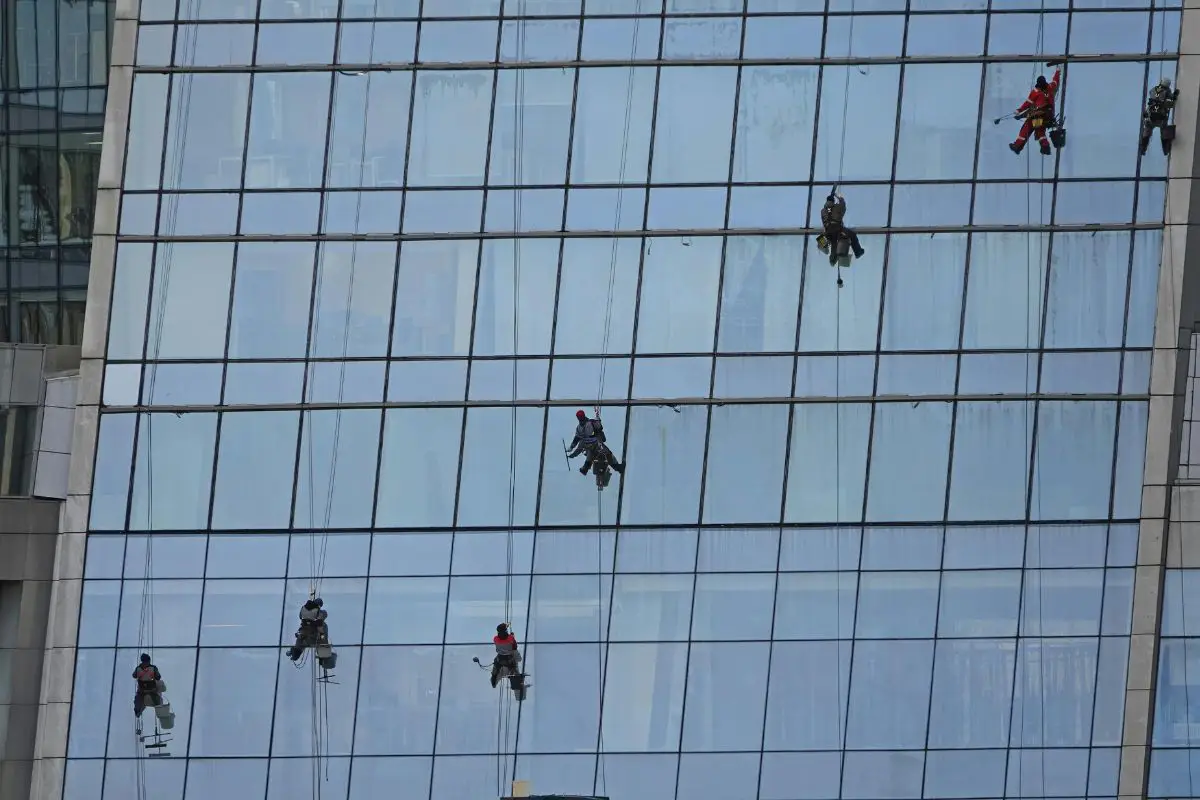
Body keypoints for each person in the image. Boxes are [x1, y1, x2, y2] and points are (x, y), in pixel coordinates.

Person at [1010, 62, 1063, 156]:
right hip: (1048, 116)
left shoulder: (1035, 92)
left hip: (1038, 115)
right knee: (1039, 130)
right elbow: (1056, 81)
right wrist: (1058, 70)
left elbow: (1027, 104)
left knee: (1027, 126)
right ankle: (1045, 147)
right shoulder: (1050, 87)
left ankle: (1017, 146)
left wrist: (1019, 111)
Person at [567, 410, 624, 476]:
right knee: (608, 453)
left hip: (588, 446)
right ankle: (618, 468)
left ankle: (585, 469)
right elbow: (600, 428)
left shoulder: (580, 427)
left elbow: (576, 439)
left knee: (590, 455)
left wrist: (572, 448)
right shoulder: (591, 422)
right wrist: (598, 421)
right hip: (596, 444)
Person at [816, 192, 865, 266]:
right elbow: (843, 205)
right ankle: (858, 252)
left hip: (828, 232)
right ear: (833, 201)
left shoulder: (822, 210)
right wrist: (839, 197)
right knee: (852, 235)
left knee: (833, 244)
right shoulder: (837, 207)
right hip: (838, 229)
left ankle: (832, 260)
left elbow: (824, 221)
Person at [286, 597, 336, 670]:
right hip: (313, 637)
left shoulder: (303, 608)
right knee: (323, 636)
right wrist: (322, 636)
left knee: (300, 641)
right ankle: (324, 659)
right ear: (319, 605)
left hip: (303, 636)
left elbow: (301, 617)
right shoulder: (319, 612)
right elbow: (320, 626)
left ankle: (295, 653)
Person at [1141, 77, 1180, 155]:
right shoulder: (1166, 91)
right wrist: (1175, 96)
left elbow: (1152, 96)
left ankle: (1143, 148)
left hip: (1150, 116)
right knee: (1164, 132)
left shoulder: (1153, 89)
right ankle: (1166, 150)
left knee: (1147, 132)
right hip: (1160, 118)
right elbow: (1171, 102)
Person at [133, 653, 163, 719]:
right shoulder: (152, 668)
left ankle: (160, 713)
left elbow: (134, 675)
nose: (148, 663)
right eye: (147, 661)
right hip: (146, 690)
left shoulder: (139, 668)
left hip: (148, 690)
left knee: (156, 700)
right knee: (138, 701)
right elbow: (158, 677)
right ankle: (138, 712)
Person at [491, 623, 521, 688]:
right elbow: (515, 647)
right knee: (514, 666)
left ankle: (493, 679)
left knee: (495, 666)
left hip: (500, 659)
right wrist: (512, 636)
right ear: (505, 631)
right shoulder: (511, 638)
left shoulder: (495, 638)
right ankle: (515, 679)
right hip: (509, 659)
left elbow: (502, 638)